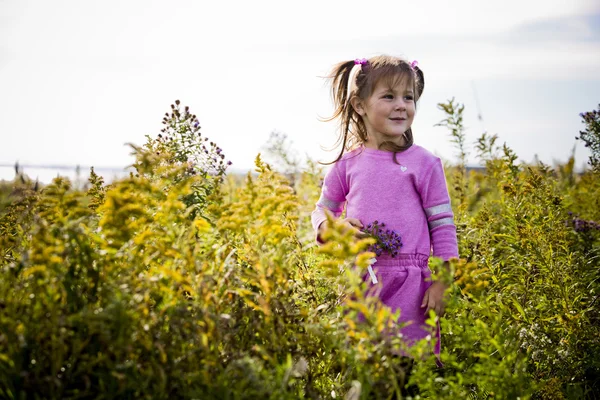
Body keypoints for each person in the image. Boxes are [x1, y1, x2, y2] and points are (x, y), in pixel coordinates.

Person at [311, 55, 458, 355]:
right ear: (360, 105)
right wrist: (334, 228)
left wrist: (443, 282)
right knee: (366, 370)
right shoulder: (347, 164)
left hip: (411, 288)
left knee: (405, 372)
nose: (401, 105)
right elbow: (321, 210)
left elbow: (443, 226)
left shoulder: (425, 164)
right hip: (362, 283)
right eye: (389, 96)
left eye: (408, 97)